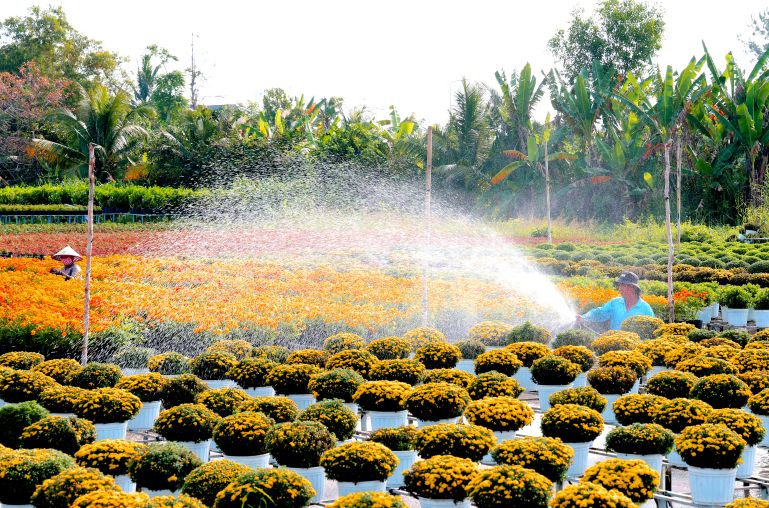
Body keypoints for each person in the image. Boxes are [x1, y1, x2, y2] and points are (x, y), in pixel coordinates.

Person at [576, 271, 654, 330]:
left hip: (636, 349)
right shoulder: (615, 303)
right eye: (619, 285)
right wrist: (584, 317)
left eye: (623, 285)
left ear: (632, 287)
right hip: (614, 346)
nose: (619, 288)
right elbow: (599, 313)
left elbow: (652, 328)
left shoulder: (645, 308)